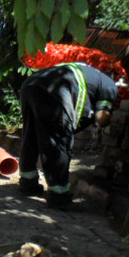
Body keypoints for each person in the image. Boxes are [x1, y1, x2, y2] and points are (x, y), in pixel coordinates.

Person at [17, 62, 118, 208]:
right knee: (59, 140)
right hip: (55, 88)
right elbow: (102, 116)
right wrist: (107, 123)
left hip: (31, 83)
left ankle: (28, 182)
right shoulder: (109, 85)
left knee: (31, 134)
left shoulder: (88, 73)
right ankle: (59, 195)